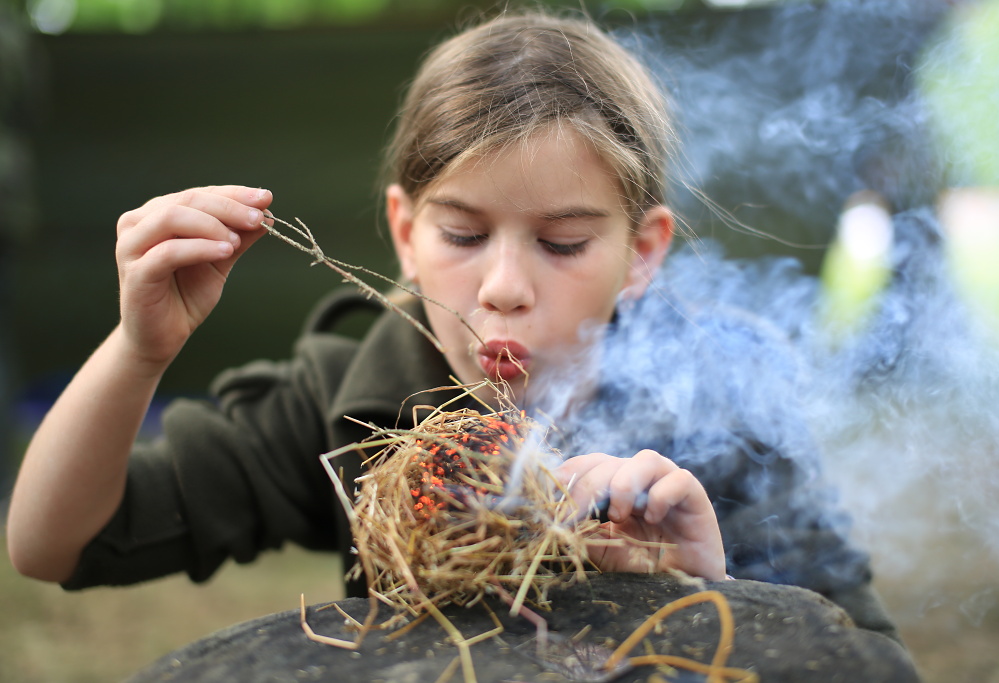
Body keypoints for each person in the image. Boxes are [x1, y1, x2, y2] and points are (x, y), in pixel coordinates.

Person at [6, 10, 897, 642]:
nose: (503, 287)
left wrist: (711, 595)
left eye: (563, 241)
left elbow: (869, 660)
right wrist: (139, 349)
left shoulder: (724, 406)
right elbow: (57, 544)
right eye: (464, 235)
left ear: (642, 250)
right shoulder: (351, 397)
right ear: (405, 232)